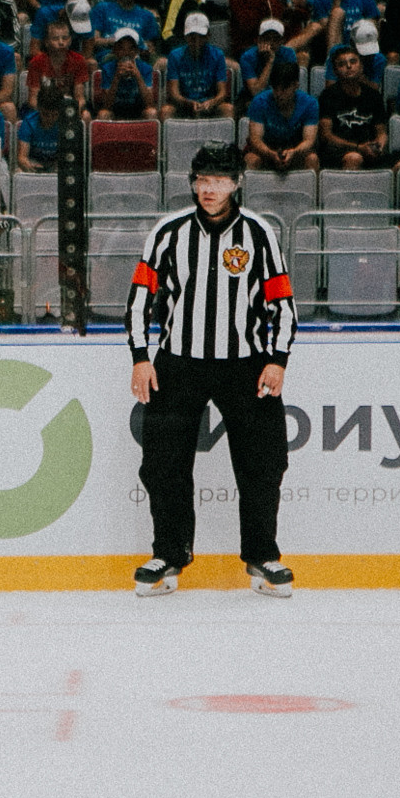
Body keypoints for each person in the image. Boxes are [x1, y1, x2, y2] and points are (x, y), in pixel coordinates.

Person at [126, 142, 297, 599]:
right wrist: (141, 356)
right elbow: (141, 298)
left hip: (247, 364)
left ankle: (263, 555)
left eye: (220, 180)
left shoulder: (259, 234)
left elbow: (282, 302)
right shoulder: (168, 232)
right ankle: (168, 554)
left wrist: (277, 360)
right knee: (163, 462)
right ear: (193, 182)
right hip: (177, 364)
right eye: (203, 180)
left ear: (236, 183)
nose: (210, 189)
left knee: (263, 463)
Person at [318, 44, 389, 167]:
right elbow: (326, 136)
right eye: (342, 64)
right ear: (335, 71)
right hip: (340, 151)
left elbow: (381, 132)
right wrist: (358, 148)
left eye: (353, 61)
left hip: (368, 148)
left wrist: (379, 146)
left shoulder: (373, 95)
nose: (349, 66)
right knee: (354, 158)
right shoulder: (328, 96)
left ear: (361, 67)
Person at [245, 59, 320, 173]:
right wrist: (271, 153)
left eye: (284, 89)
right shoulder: (259, 101)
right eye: (275, 88)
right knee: (251, 159)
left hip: (296, 150)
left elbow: (309, 140)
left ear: (296, 85)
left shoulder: (310, 104)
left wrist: (293, 152)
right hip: (267, 151)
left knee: (312, 159)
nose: (279, 94)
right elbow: (255, 139)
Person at [24, 15, 90, 115]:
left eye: (65, 38)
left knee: (86, 115)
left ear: (70, 40)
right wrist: (50, 114)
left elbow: (80, 98)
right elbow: (33, 100)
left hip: (68, 108)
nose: (61, 42)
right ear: (46, 42)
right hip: (44, 110)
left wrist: (69, 113)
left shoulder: (78, 60)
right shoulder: (36, 63)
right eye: (55, 39)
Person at [93, 29, 157, 121]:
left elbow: (150, 104)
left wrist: (138, 76)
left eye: (131, 49)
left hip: (138, 110)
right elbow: (106, 106)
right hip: (115, 110)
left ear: (136, 51)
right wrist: (116, 77)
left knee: (152, 113)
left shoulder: (146, 68)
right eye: (121, 48)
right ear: (115, 50)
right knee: (103, 114)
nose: (126, 53)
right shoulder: (107, 68)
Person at [15, 83, 72, 173]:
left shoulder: (66, 125)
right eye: (46, 114)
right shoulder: (29, 122)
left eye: (54, 115)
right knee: (19, 172)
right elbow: (22, 157)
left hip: (56, 164)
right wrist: (28, 165)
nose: (50, 119)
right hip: (34, 162)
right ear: (39, 108)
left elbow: (68, 155)